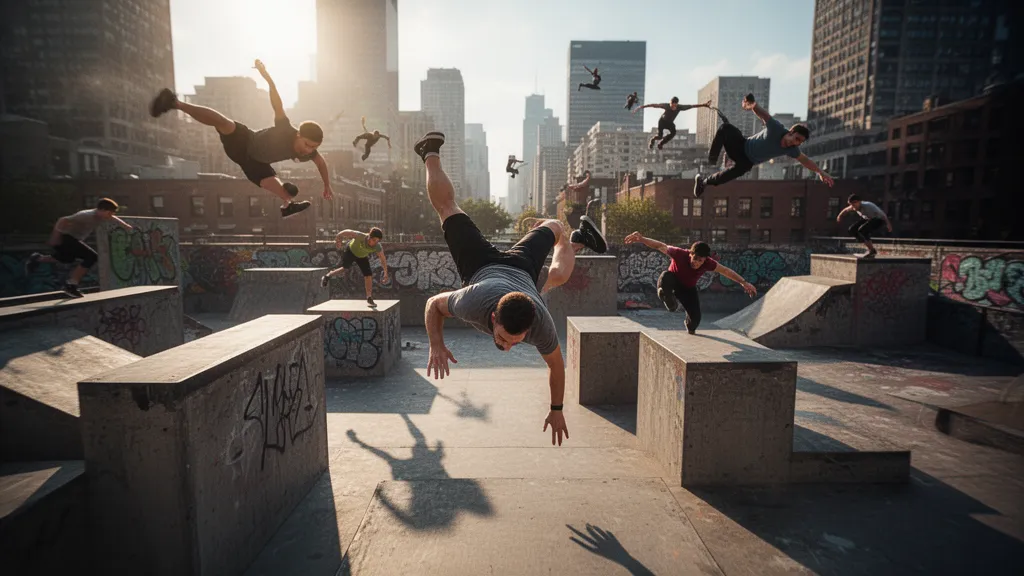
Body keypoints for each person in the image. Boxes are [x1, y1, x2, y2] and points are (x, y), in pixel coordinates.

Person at [412, 130, 608, 446]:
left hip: (521, 272)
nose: (509, 346)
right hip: (481, 268)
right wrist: (436, 343)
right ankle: (429, 152)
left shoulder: (539, 323)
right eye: (505, 338)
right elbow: (434, 304)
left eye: (514, 341)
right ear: (493, 319)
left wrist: (557, 409)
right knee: (447, 208)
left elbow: (557, 367)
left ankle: (572, 237)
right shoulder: (471, 302)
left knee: (556, 240)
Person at [149, 59, 332, 218]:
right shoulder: (285, 128)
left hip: (254, 163)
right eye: (307, 144)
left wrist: (327, 186)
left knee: (278, 187)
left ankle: (288, 204)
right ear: (299, 134)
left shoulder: (310, 153)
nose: (308, 150)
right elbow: (277, 102)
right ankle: (174, 102)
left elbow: (321, 163)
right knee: (223, 122)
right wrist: (266, 76)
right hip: (245, 141)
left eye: (313, 147)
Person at [693, 94, 834, 197]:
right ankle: (711, 161)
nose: (795, 143)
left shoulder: (792, 149)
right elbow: (763, 115)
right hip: (741, 146)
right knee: (726, 128)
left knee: (727, 176)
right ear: (790, 132)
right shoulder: (776, 128)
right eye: (796, 138)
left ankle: (703, 183)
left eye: (799, 142)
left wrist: (820, 172)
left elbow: (805, 160)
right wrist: (751, 104)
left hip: (747, 162)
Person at [623, 233, 757, 334]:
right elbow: (660, 246)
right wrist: (642, 239)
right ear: (690, 254)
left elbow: (725, 271)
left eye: (700, 261)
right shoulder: (679, 253)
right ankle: (667, 297)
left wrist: (743, 282)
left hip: (688, 289)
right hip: (672, 282)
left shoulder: (708, 263)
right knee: (666, 276)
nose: (696, 263)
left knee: (695, 320)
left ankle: (689, 326)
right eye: (695, 258)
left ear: (705, 259)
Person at [26, 198, 133, 298]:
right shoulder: (85, 215)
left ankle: (37, 258)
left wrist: (125, 225)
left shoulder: (102, 215)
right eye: (109, 213)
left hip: (72, 239)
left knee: (66, 259)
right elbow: (62, 220)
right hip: (66, 237)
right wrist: (55, 236)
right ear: (102, 210)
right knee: (92, 257)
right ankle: (71, 284)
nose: (110, 216)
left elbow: (113, 218)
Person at [321, 228, 390, 306]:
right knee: (345, 268)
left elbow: (383, 259)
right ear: (369, 237)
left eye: (377, 241)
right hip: (350, 251)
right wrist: (338, 239)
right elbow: (345, 232)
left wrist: (385, 273)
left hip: (362, 256)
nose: (375, 243)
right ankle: (328, 275)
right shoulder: (360, 236)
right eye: (374, 240)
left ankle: (369, 298)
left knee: (368, 275)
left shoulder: (377, 246)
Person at [633, 97, 710, 150]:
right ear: (670, 103)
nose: (672, 107)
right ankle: (653, 140)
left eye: (674, 106)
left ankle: (661, 144)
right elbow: (654, 105)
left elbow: (692, 106)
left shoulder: (680, 107)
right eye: (671, 106)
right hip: (662, 122)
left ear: (676, 104)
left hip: (669, 123)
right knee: (660, 136)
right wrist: (642, 107)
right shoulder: (666, 106)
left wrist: (704, 105)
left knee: (673, 132)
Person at [837, 194, 892, 259]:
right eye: (851, 204)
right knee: (852, 230)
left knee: (862, 230)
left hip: (879, 220)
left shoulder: (868, 206)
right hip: (868, 219)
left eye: (854, 204)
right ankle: (866, 244)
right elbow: (845, 210)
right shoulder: (853, 206)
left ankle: (872, 251)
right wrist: (839, 216)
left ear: (859, 202)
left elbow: (883, 215)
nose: (853, 206)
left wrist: (888, 224)